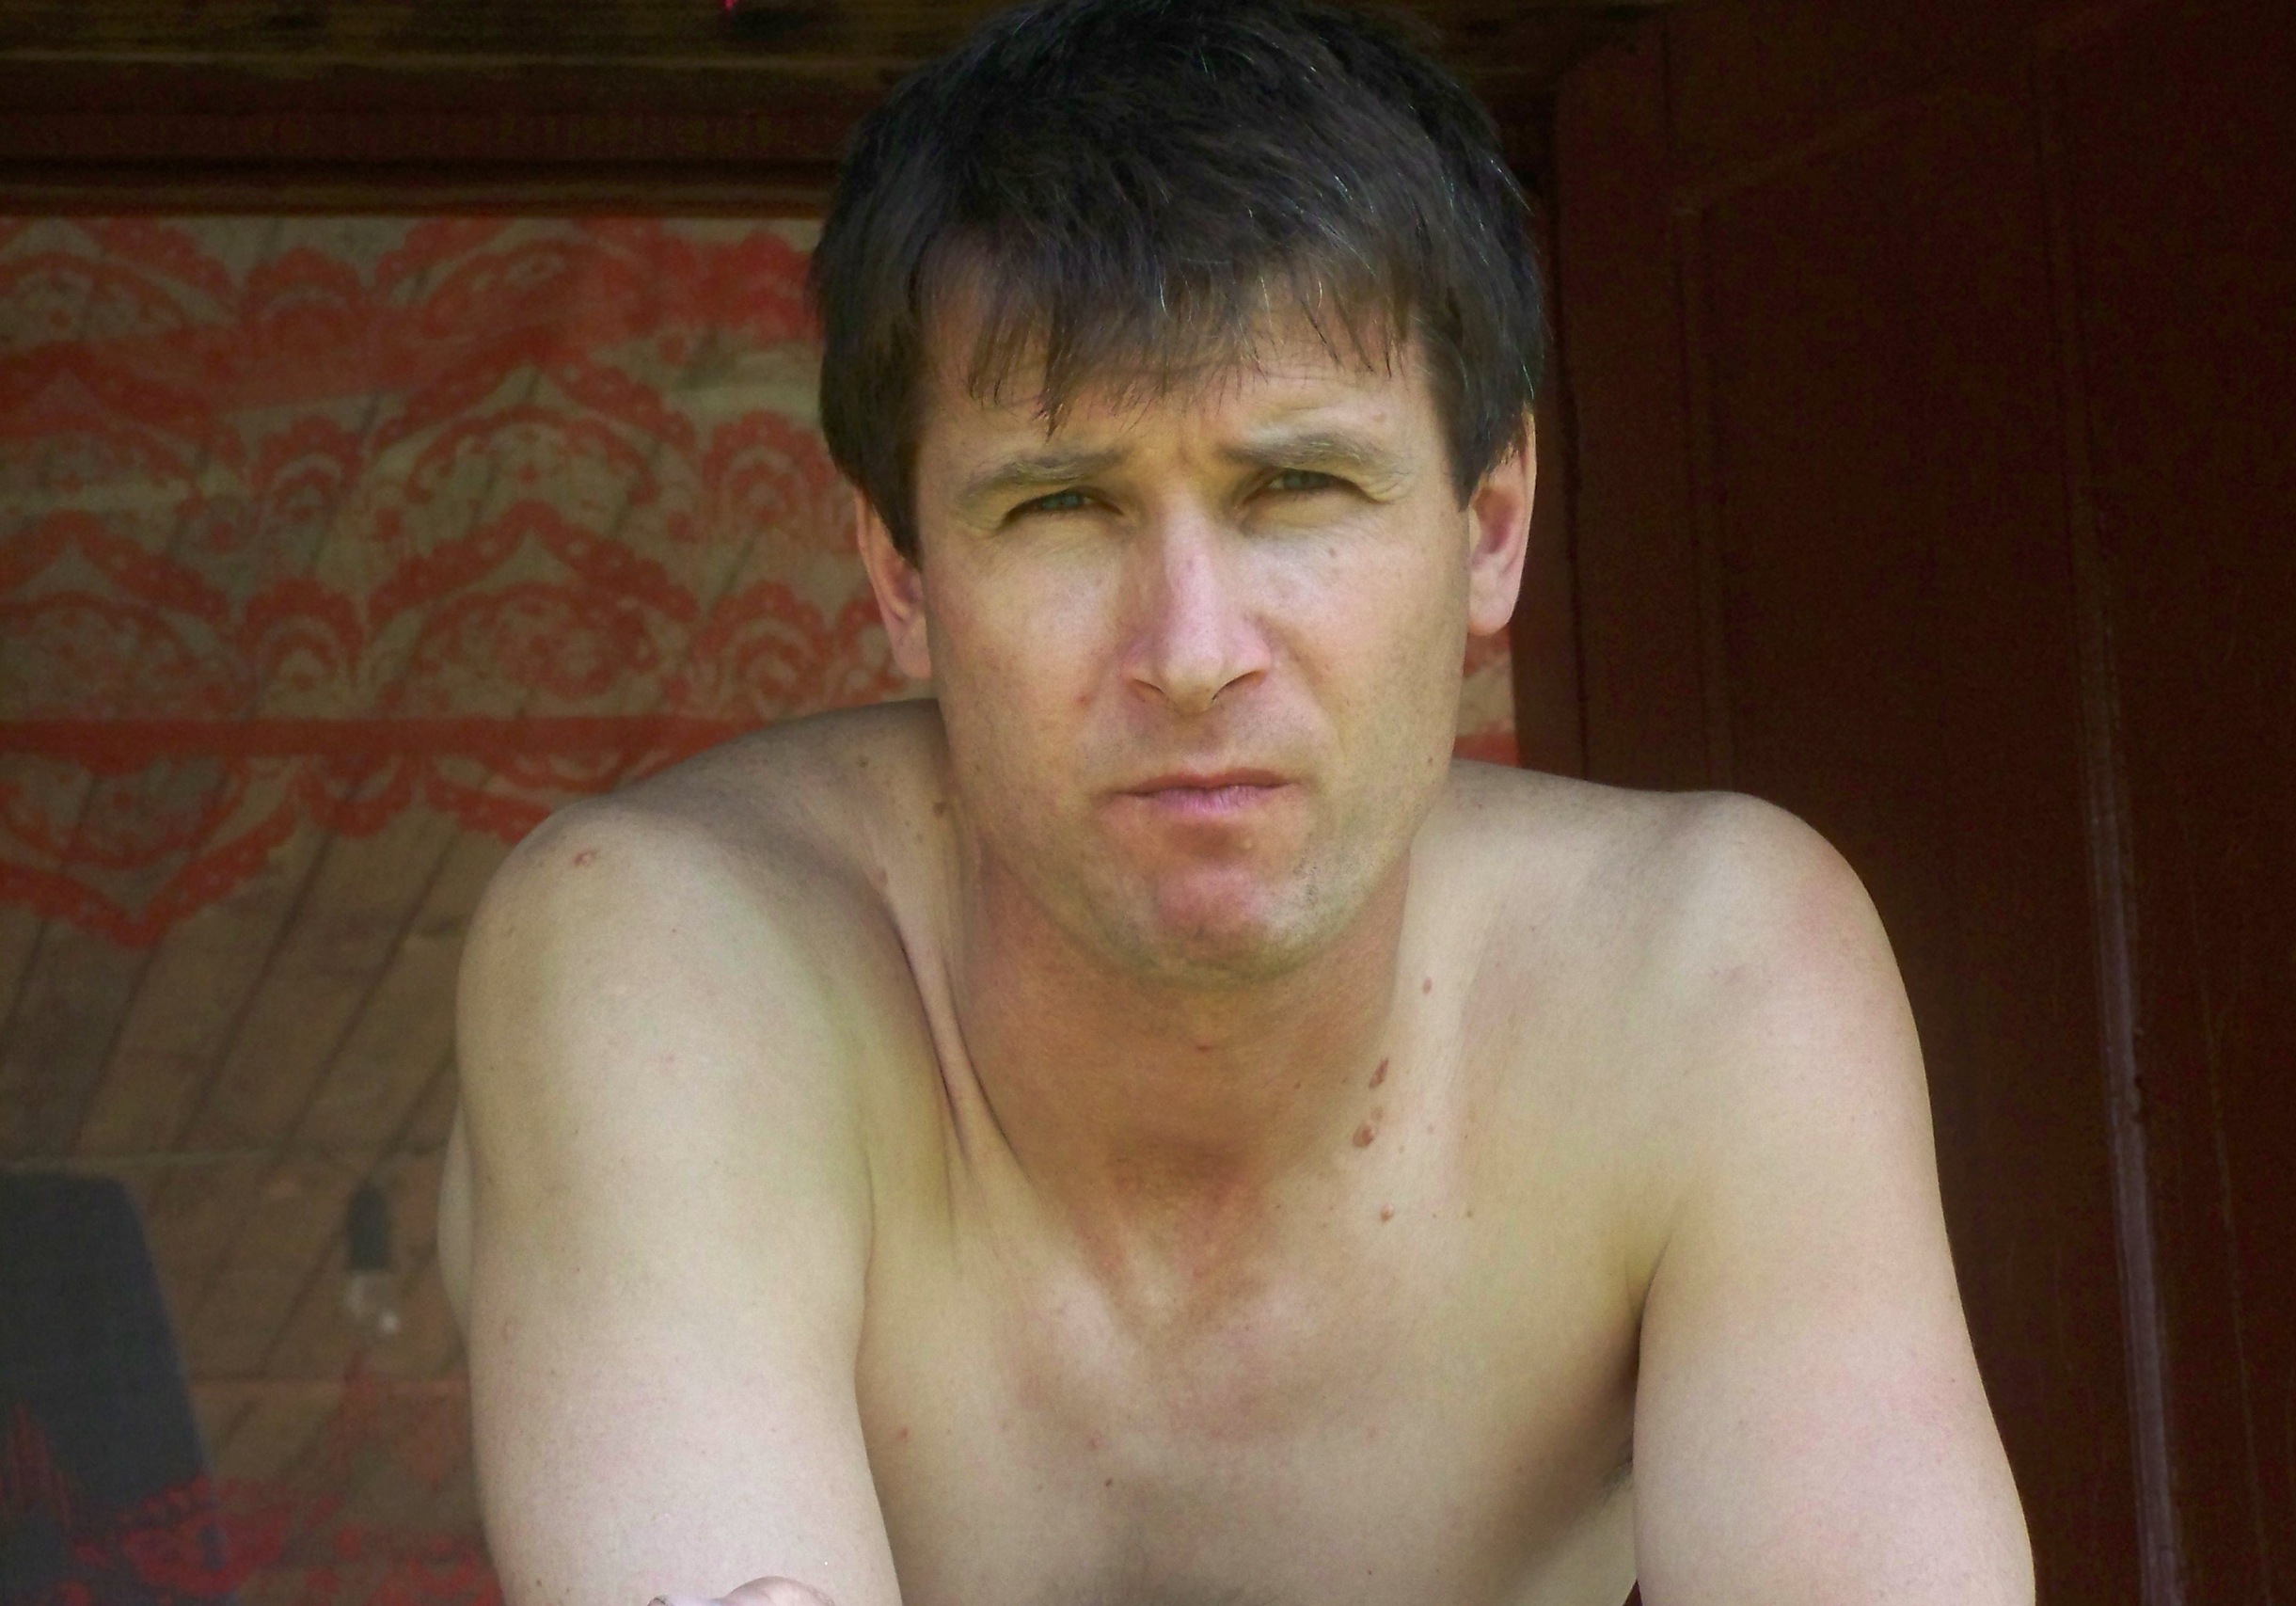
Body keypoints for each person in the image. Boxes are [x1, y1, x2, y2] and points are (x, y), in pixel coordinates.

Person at [436, 2, 2035, 1602]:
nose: (1193, 653)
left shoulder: (1705, 979)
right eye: (1062, 505)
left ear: (1491, 525)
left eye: (1299, 488)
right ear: (902, 573)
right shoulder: (677, 962)